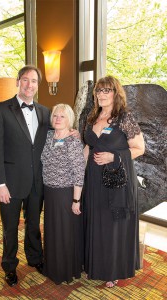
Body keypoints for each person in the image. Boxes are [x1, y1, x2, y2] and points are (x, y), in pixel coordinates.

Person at [0, 65, 51, 286]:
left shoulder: (45, 112)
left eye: (33, 81)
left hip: (37, 182)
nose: (29, 85)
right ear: (18, 82)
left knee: (34, 224)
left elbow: (52, 140)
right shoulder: (1, 109)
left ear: (37, 85)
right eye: (25, 80)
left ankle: (35, 258)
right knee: (10, 227)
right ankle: (9, 266)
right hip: (10, 183)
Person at [82, 75, 145, 287]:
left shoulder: (124, 118)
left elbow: (139, 148)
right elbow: (88, 148)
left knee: (112, 225)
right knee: (96, 221)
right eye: (99, 91)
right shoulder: (93, 118)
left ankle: (113, 269)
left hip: (116, 180)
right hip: (93, 180)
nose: (101, 94)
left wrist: (114, 157)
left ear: (115, 93)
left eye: (106, 90)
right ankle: (96, 264)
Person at [41, 104, 86, 285]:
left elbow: (79, 173)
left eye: (62, 116)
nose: (58, 119)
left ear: (70, 120)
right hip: (49, 192)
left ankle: (65, 270)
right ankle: (52, 267)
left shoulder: (73, 141)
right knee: (52, 231)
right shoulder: (48, 136)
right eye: (55, 116)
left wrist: (76, 200)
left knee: (64, 232)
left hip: (65, 194)